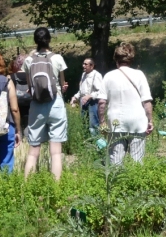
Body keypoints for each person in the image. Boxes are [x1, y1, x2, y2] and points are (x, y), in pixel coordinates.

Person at [23, 27, 69, 180]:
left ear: (35, 40)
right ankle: (55, 188)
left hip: (37, 105)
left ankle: (27, 187)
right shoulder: (57, 58)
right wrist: (63, 87)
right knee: (55, 151)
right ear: (49, 39)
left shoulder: (29, 61)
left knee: (33, 150)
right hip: (55, 103)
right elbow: (62, 84)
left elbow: (30, 87)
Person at [97, 43, 153, 165]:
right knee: (137, 161)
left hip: (116, 123)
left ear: (116, 59)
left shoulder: (108, 76)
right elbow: (147, 102)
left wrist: (102, 122)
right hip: (137, 122)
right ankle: (135, 182)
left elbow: (101, 103)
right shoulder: (139, 75)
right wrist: (150, 121)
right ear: (131, 59)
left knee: (116, 161)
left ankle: (116, 182)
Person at [70, 58, 104, 134]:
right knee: (84, 124)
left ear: (92, 66)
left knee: (93, 125)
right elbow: (81, 90)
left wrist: (90, 96)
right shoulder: (83, 75)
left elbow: (100, 91)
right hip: (84, 102)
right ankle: (86, 142)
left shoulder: (96, 75)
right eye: (83, 64)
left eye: (86, 64)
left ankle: (95, 143)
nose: (83, 66)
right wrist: (75, 97)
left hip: (93, 103)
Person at [10, 54, 31, 134]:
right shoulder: (31, 76)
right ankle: (28, 144)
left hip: (16, 106)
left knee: (17, 127)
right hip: (29, 105)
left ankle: (19, 143)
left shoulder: (11, 77)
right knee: (28, 125)